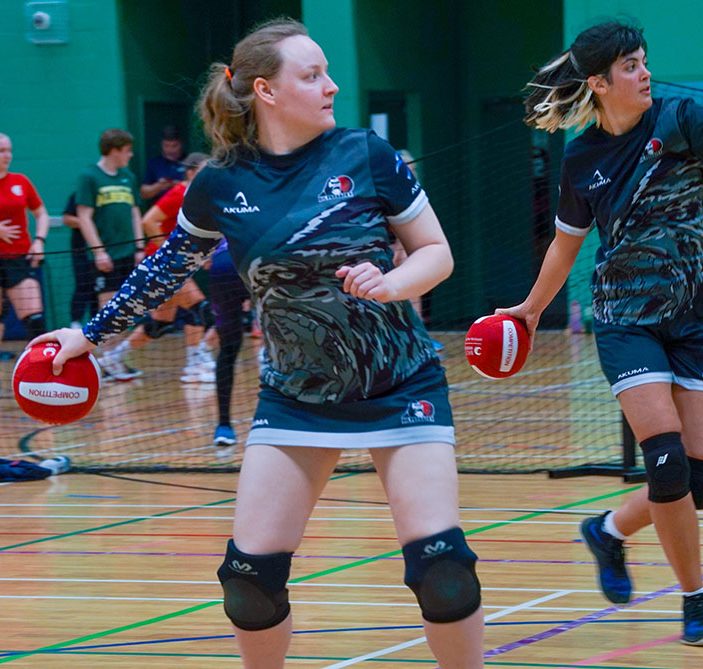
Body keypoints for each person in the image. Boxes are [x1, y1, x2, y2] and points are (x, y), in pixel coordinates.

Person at [30, 18, 484, 668]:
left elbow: (435, 253)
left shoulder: (365, 155)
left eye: (327, 71)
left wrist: (389, 283)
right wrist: (89, 333)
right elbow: (165, 267)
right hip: (296, 397)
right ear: (265, 91)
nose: (330, 86)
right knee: (247, 581)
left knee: (443, 570)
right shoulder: (220, 182)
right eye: (311, 75)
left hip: (398, 383)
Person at [497, 20, 703, 645]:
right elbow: (566, 245)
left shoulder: (683, 118)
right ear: (599, 82)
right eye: (632, 66)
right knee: (666, 465)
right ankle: (694, 599)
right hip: (624, 315)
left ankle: (607, 531)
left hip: (693, 313)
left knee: (695, 476)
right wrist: (530, 311)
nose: (644, 73)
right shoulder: (582, 159)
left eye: (645, 62)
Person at [101, 152, 217, 383]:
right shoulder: (179, 193)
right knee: (199, 308)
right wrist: (172, 253)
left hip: (177, 265)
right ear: (192, 172)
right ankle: (196, 363)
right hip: (165, 265)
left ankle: (112, 358)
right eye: (206, 170)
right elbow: (148, 221)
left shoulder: (200, 196)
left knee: (160, 325)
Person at [75, 128, 144, 380]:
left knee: (125, 310)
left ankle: (113, 360)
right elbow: (84, 217)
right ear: (114, 150)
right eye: (127, 151)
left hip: (129, 254)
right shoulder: (89, 177)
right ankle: (104, 362)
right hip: (106, 257)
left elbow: (135, 212)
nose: (131, 155)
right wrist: (99, 252)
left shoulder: (128, 177)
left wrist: (139, 247)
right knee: (109, 311)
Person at [0, 132, 49, 341]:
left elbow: (41, 213)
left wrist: (39, 241)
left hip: (18, 259)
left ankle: (40, 371)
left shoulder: (21, 181)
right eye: (2, 151)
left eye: (9, 150)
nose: (7, 155)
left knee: (35, 320)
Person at [208, 238, 249, 446]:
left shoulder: (220, 206)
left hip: (222, 267)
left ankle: (223, 426)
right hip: (258, 261)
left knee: (229, 348)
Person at [62, 193, 98, 329]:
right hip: (82, 250)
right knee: (83, 285)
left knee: (100, 289)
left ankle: (98, 326)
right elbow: (66, 219)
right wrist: (88, 223)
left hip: (108, 249)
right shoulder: (79, 195)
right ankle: (75, 323)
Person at [140, 124, 186, 203]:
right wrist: (159, 186)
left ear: (181, 144)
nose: (170, 150)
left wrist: (177, 185)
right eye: (166, 146)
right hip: (160, 209)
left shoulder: (189, 162)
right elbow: (143, 193)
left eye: (174, 146)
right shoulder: (154, 163)